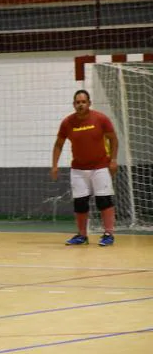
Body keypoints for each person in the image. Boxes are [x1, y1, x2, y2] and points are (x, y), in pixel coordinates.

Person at [51, 90, 119, 246]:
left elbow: (113, 140)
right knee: (80, 203)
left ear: (89, 103)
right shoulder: (67, 123)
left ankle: (108, 234)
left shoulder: (101, 119)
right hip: (78, 170)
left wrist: (113, 160)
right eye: (77, 102)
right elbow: (58, 145)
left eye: (83, 102)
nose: (80, 105)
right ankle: (82, 235)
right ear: (74, 104)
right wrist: (54, 165)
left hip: (100, 167)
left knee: (104, 200)